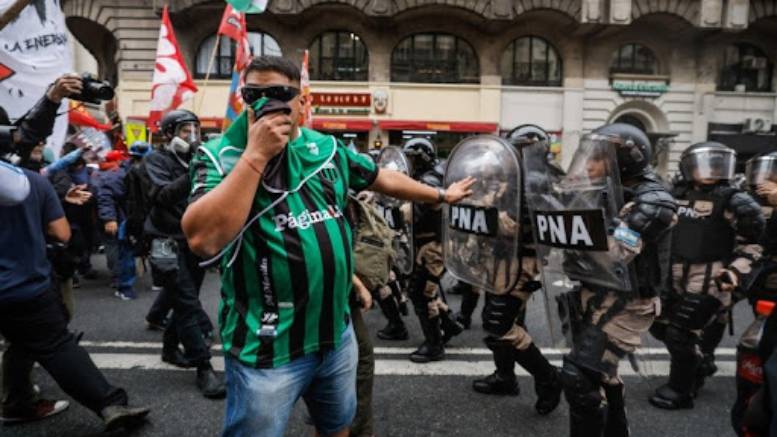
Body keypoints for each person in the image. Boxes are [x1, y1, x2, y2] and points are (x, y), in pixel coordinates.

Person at [183, 55, 475, 437]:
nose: (268, 103)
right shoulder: (218, 155)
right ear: (242, 98)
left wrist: (439, 194)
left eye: (280, 94)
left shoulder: (328, 149)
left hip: (335, 336)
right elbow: (202, 239)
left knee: (338, 426)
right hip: (267, 348)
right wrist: (256, 156)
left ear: (302, 99)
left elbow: (381, 178)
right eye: (256, 94)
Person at [527, 123, 677, 436]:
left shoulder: (654, 202)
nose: (588, 165)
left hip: (629, 301)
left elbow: (616, 253)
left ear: (623, 160)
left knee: (580, 375)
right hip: (597, 293)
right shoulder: (602, 189)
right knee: (602, 375)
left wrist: (568, 223)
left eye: (597, 159)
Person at [0, 153, 149, 430]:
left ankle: (16, 403)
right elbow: (62, 233)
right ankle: (109, 403)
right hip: (23, 287)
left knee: (20, 343)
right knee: (56, 345)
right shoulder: (33, 183)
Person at [453, 127, 562, 413]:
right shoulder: (508, 177)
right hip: (499, 258)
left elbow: (532, 224)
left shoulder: (539, 181)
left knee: (498, 322)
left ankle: (548, 377)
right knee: (499, 321)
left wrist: (493, 216)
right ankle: (505, 376)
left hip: (522, 262)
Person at [649, 142, 765, 410]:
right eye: (705, 163)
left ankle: (681, 390)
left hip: (710, 275)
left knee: (681, 334)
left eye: (717, 163)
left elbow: (753, 243)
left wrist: (735, 271)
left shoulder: (734, 200)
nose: (711, 169)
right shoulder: (674, 194)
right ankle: (697, 364)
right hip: (673, 271)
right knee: (660, 325)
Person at [141, 109, 224, 398]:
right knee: (187, 302)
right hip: (164, 240)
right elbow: (161, 196)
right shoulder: (155, 160)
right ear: (169, 134)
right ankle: (204, 367)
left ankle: (168, 348)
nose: (192, 136)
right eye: (185, 130)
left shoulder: (196, 159)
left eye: (195, 130)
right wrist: (194, 170)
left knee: (185, 297)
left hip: (192, 239)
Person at [402, 138, 465, 363]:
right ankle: (449, 325)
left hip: (433, 249)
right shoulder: (429, 178)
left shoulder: (428, 181)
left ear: (421, 158)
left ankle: (434, 345)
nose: (408, 163)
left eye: (411, 158)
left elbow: (415, 214)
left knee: (421, 294)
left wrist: (400, 207)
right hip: (429, 247)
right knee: (426, 291)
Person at [96, 149, 137, 300]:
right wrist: (109, 219)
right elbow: (105, 197)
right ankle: (121, 281)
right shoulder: (116, 175)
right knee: (120, 249)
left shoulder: (104, 172)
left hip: (115, 218)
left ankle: (119, 279)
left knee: (117, 249)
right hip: (117, 219)